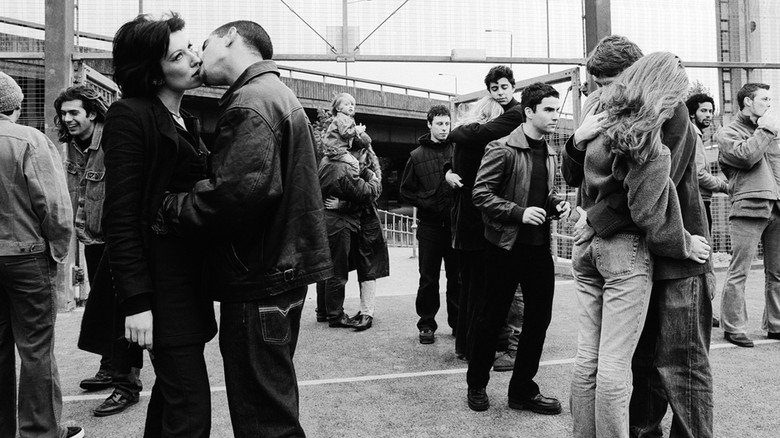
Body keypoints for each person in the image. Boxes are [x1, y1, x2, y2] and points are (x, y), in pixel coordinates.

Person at [161, 20, 332, 437]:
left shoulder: (251, 102)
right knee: (273, 400)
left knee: (264, 416)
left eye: (203, 45)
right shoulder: (276, 93)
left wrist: (168, 204)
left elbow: (234, 197)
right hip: (282, 271)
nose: (197, 57)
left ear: (232, 38)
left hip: (259, 277)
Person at [562, 35, 716, 438]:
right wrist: (575, 142)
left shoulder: (672, 111)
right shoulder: (606, 106)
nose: (600, 93)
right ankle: (641, 432)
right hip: (639, 248)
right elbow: (580, 177)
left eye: (608, 81)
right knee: (636, 361)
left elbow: (649, 187)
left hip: (677, 251)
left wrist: (593, 218)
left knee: (681, 364)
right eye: (594, 85)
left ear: (633, 73)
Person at [102, 14, 217, 437]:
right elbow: (121, 216)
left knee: (172, 401)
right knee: (189, 408)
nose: (193, 57)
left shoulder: (184, 117)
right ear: (153, 72)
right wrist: (136, 301)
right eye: (178, 54)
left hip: (187, 283)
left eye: (192, 46)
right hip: (160, 290)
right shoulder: (129, 116)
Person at [466, 83, 570, 414]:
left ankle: (522, 389)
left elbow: (545, 192)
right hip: (504, 247)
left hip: (539, 249)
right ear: (529, 112)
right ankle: (477, 384)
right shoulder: (502, 148)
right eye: (549, 110)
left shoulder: (550, 151)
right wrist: (519, 212)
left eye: (557, 110)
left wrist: (557, 204)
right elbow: (480, 195)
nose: (556, 116)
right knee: (491, 317)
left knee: (538, 320)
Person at [0, 71, 84, 438]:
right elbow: (54, 206)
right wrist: (59, 251)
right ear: (16, 106)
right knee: (36, 348)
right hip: (26, 256)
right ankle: (41, 431)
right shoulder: (30, 140)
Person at [55, 85, 145, 417]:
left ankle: (127, 383)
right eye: (64, 113)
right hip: (93, 238)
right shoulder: (73, 146)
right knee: (106, 309)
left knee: (124, 311)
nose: (68, 119)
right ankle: (110, 367)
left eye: (74, 112)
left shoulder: (111, 140)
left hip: (117, 240)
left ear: (92, 113)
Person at [445, 87, 525, 367]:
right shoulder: (485, 143)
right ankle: (480, 346)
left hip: (462, 223)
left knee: (467, 286)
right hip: (481, 222)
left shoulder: (461, 140)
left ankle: (464, 345)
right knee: (483, 290)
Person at [717, 82, 780, 347]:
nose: (769, 103)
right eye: (763, 99)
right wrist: (766, 129)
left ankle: (776, 325)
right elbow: (747, 157)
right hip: (749, 205)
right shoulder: (728, 132)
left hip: (776, 206)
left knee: (777, 272)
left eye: (769, 99)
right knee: (739, 270)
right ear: (747, 102)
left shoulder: (772, 132)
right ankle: (733, 327)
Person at [318, 98, 382, 329]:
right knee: (339, 270)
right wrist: (374, 183)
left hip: (327, 220)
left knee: (327, 266)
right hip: (340, 223)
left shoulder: (326, 161)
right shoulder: (345, 166)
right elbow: (364, 193)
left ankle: (323, 311)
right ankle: (336, 315)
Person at [400, 104, 459, 345]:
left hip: (455, 226)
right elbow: (406, 192)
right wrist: (429, 201)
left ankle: (458, 323)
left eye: (447, 124)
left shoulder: (458, 150)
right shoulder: (416, 156)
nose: (444, 129)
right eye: (439, 124)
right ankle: (426, 324)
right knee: (428, 278)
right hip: (430, 227)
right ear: (429, 124)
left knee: (457, 278)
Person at [323, 136, 390, 331]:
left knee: (367, 269)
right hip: (355, 225)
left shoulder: (367, 173)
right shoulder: (350, 168)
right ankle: (361, 311)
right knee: (357, 267)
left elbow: (367, 197)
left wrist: (341, 204)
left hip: (367, 225)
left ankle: (367, 313)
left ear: (360, 154)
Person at [686, 93, 728, 232]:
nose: (709, 115)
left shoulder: (695, 134)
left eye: (710, 111)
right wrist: (724, 186)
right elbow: (698, 174)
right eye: (703, 111)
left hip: (699, 199)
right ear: (692, 114)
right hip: (697, 200)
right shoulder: (693, 135)